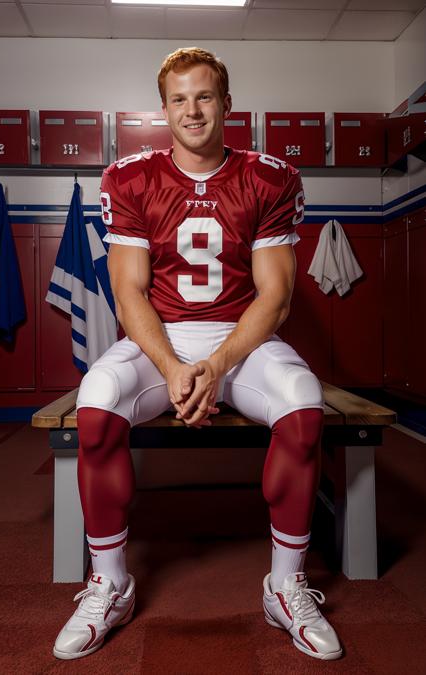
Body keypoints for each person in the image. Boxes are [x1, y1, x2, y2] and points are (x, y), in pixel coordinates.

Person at [53, 47, 342, 662]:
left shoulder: (269, 176)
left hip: (244, 337)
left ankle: (285, 584)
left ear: (227, 104)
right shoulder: (130, 177)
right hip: (160, 338)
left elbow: (278, 295)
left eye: (205, 96)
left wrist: (214, 366)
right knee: (97, 402)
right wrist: (174, 366)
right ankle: (112, 581)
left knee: (303, 402)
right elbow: (128, 292)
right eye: (179, 98)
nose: (192, 110)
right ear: (163, 109)